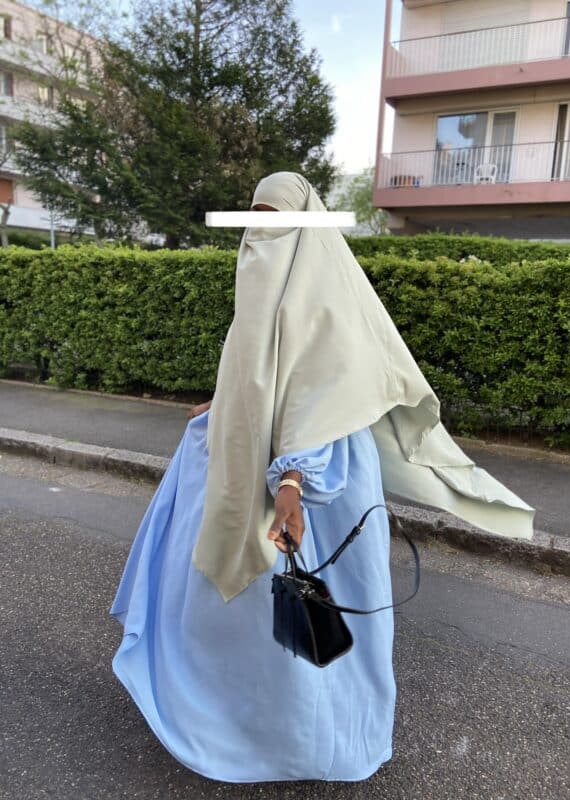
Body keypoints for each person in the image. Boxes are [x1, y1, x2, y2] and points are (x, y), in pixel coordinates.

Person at [109, 171, 535, 783]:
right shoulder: (266, 281)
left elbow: (321, 396)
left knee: (302, 605)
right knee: (244, 614)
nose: (260, 227)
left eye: (273, 214)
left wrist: (290, 484)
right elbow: (258, 369)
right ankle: (230, 722)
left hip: (313, 477)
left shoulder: (327, 297)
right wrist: (223, 404)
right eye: (254, 213)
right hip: (252, 458)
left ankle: (307, 742)